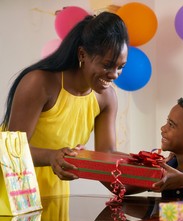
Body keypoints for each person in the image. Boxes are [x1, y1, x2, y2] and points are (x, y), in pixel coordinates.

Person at [1, 11, 129, 197]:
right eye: (107, 65)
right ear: (82, 54)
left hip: (55, 195)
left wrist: (150, 172)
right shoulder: (39, 83)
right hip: (12, 193)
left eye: (120, 67)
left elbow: (106, 156)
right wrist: (52, 156)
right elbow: (11, 150)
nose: (114, 74)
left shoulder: (107, 98)